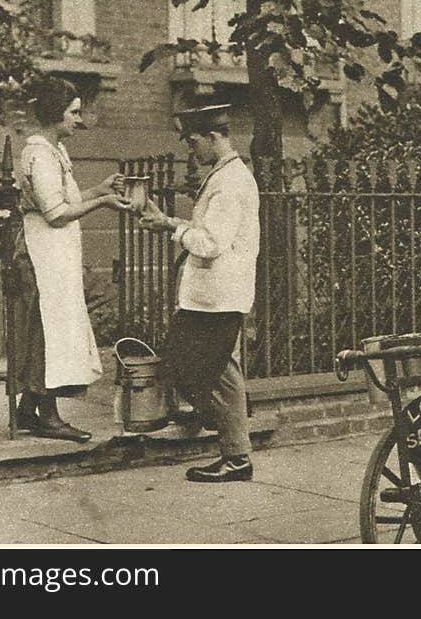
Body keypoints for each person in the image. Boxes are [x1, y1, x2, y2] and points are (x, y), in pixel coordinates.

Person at [138, 104, 260, 482]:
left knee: (219, 373)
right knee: (195, 363)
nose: (192, 151)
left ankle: (236, 453)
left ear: (213, 137)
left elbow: (211, 243)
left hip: (219, 295)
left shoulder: (229, 182)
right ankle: (229, 426)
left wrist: (171, 230)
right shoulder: (224, 175)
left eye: (194, 143)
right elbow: (208, 230)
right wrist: (171, 221)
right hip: (212, 294)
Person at [13, 76, 132, 443]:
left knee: (58, 326)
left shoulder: (54, 150)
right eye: (73, 113)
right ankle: (47, 415)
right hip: (44, 250)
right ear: (54, 115)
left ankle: (28, 410)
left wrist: (98, 188)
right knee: (52, 328)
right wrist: (103, 202)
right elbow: (55, 213)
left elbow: (65, 201)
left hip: (58, 251)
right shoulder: (40, 153)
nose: (79, 120)